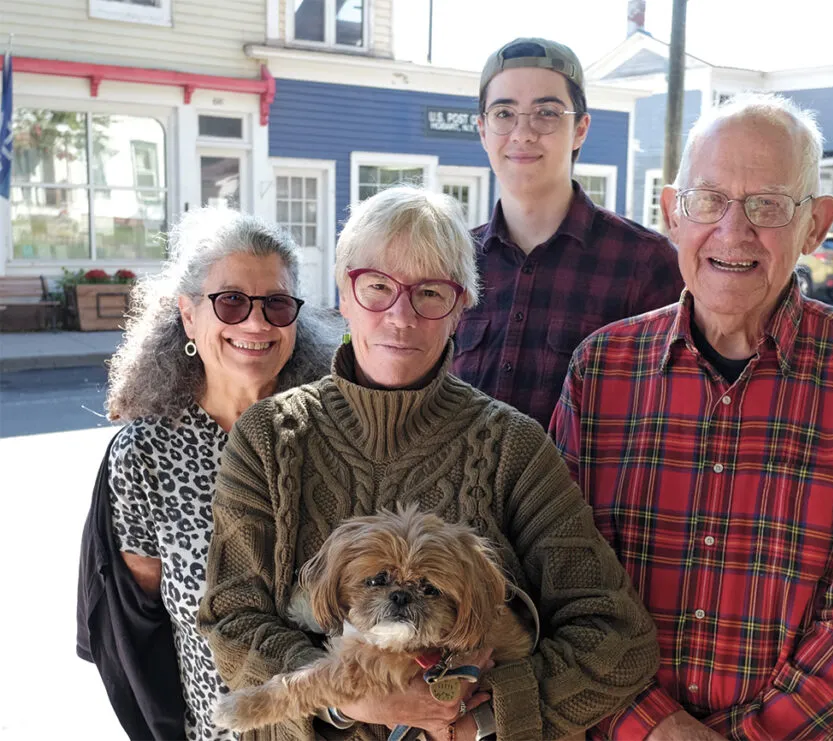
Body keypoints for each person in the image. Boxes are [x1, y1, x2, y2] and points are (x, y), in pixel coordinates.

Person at [197, 186, 660, 741]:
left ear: (462, 306)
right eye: (377, 288)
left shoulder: (512, 445)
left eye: (431, 293)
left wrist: (483, 717)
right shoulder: (271, 437)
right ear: (343, 293)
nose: (400, 316)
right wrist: (352, 702)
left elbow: (618, 638)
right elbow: (232, 619)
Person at [550, 94, 833, 741]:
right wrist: (653, 724)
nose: (734, 230)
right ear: (673, 213)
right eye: (709, 200)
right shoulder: (601, 370)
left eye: (768, 205)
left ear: (815, 225)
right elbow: (556, 576)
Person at [78, 208, 339, 741]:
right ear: (188, 314)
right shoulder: (144, 456)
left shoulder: (335, 433)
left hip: (337, 726)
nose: (256, 323)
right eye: (231, 301)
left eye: (277, 304)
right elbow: (138, 630)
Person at [452, 37, 684, 428]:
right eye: (504, 113)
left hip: (584, 490)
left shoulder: (646, 264)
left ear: (580, 129)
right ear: (482, 130)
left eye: (546, 112)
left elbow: (672, 412)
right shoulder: (450, 259)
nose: (522, 133)